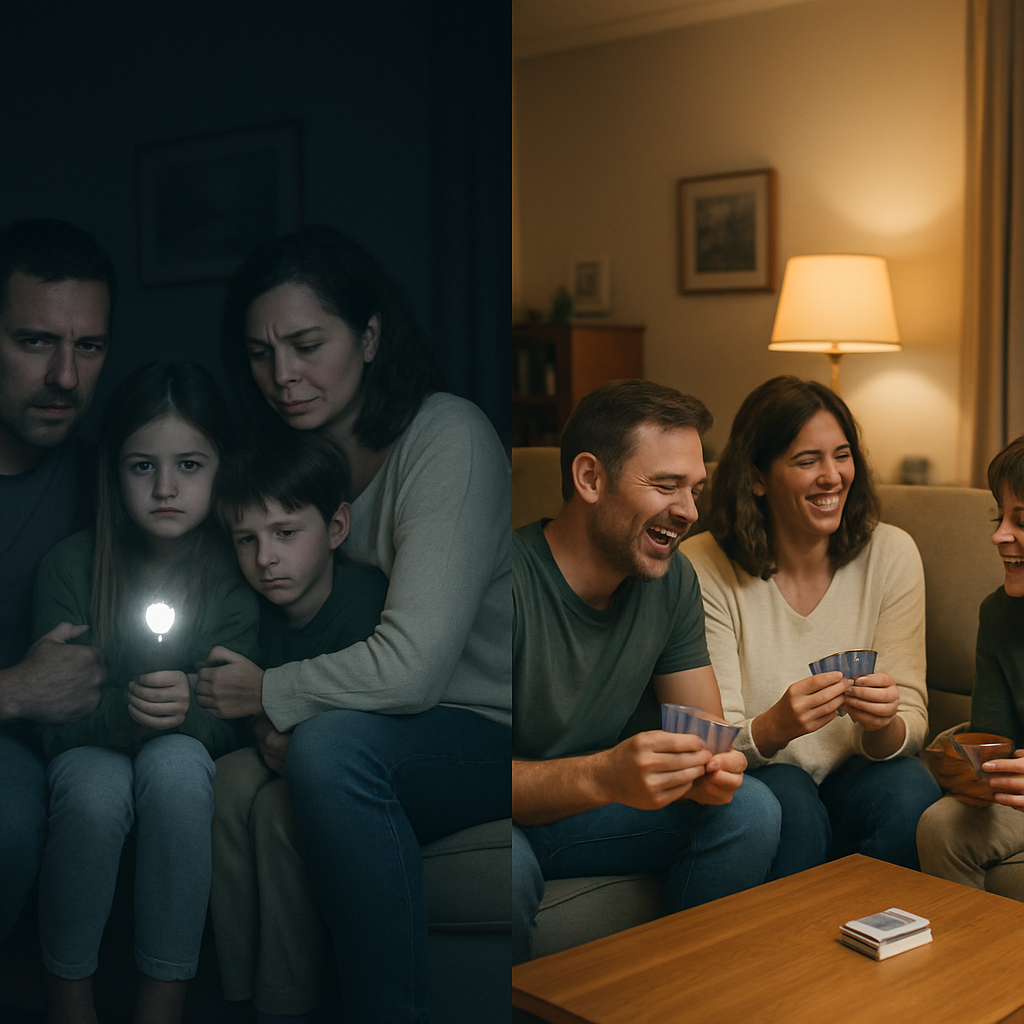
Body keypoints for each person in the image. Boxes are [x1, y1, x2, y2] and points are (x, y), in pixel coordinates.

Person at [196, 225, 511, 1024]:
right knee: (240, 779)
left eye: (306, 344)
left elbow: (412, 668)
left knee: (333, 748)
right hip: (366, 728)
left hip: (478, 728)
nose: (282, 376)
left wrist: (272, 693)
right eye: (261, 353)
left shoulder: (449, 437)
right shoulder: (279, 474)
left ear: (370, 336)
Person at [513, 379, 782, 965]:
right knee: (500, 868)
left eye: (695, 489)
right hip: (496, 816)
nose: (688, 512)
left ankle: (673, 1000)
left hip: (585, 817)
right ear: (589, 479)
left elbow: (705, 734)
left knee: (753, 807)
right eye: (666, 486)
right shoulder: (498, 585)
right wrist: (605, 775)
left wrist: (715, 767)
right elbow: (457, 778)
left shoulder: (672, 581)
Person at [31, 362, 259, 1024]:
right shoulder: (71, 567)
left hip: (181, 748)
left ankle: (162, 1004)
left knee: (183, 771)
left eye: (189, 465)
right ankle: (67, 999)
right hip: (87, 746)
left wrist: (192, 710)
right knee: (95, 795)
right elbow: (50, 719)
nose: (165, 488)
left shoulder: (232, 571)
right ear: (112, 470)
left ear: (221, 468)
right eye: (142, 467)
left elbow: (234, 711)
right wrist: (128, 718)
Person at [682, 375, 940, 881]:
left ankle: (879, 941)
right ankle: (793, 957)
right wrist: (775, 725)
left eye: (842, 456)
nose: (832, 476)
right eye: (807, 461)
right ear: (757, 477)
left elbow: (911, 719)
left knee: (911, 789)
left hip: (857, 772)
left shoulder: (891, 553)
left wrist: (883, 723)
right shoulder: (702, 566)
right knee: (790, 805)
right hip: (764, 775)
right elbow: (711, 738)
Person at [208, 430, 389, 1021]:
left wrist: (274, 722)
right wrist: (262, 731)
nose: (266, 558)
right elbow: (230, 706)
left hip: (341, 767)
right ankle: (236, 993)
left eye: (286, 533)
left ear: (336, 528)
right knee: (226, 783)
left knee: (278, 812)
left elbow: (375, 709)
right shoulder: (245, 606)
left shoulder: (369, 605)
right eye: (247, 539)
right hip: (267, 755)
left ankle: (287, 1004)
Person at [0, 218, 113, 941]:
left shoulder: (113, 483)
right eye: (36, 341)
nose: (66, 378)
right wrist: (15, 690)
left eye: (89, 346)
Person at [917, 435, 1024, 887]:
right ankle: (968, 959)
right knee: (942, 826)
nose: (998, 535)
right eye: (999, 516)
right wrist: (963, 766)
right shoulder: (998, 614)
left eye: (1020, 520)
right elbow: (993, 740)